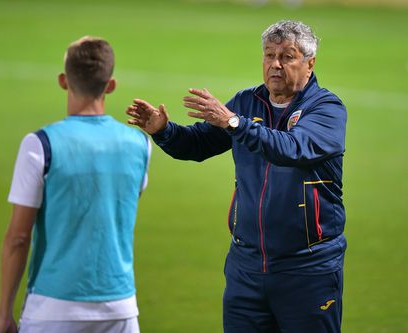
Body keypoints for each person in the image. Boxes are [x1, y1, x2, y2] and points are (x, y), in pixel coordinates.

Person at [126, 20, 347, 333]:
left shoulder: (327, 109)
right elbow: (199, 144)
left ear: (310, 63)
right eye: (269, 55)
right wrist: (163, 130)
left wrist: (234, 123)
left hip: (307, 268)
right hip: (246, 265)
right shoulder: (247, 102)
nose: (275, 64)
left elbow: (292, 148)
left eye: (287, 56)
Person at [0, 36, 151, 333]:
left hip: (52, 308)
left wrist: (4, 314)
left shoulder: (39, 145)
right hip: (120, 309)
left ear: (63, 81)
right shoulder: (140, 145)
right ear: (111, 85)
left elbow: (18, 238)